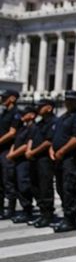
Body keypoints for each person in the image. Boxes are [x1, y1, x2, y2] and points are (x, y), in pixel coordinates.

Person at [50, 90, 76, 232]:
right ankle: (66, 215)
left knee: (70, 188)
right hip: (60, 159)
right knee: (61, 188)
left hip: (71, 159)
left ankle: (70, 219)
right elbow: (55, 136)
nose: (69, 103)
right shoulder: (63, 117)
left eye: (72, 100)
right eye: (67, 100)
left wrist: (61, 151)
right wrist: (53, 150)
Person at [26, 98, 56, 227]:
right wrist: (29, 151)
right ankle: (42, 212)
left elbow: (48, 141)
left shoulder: (53, 122)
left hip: (44, 159)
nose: (38, 108)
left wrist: (33, 152)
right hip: (34, 159)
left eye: (41, 106)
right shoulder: (39, 123)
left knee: (45, 187)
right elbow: (31, 138)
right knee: (35, 186)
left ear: (49, 108)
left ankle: (47, 215)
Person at [6, 105, 37, 223]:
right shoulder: (22, 128)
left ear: (32, 115)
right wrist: (11, 153)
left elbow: (26, 146)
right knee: (17, 184)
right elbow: (16, 142)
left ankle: (27, 209)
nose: (22, 116)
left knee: (24, 185)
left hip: (24, 161)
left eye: (25, 114)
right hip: (17, 160)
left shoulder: (33, 128)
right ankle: (24, 209)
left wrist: (12, 155)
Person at [0, 89, 21, 219]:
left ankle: (11, 209)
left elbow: (12, 132)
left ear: (12, 98)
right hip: (1, 149)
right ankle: (1, 208)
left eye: (5, 97)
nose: (2, 99)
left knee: (8, 180)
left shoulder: (16, 114)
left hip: (8, 149)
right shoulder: (4, 113)